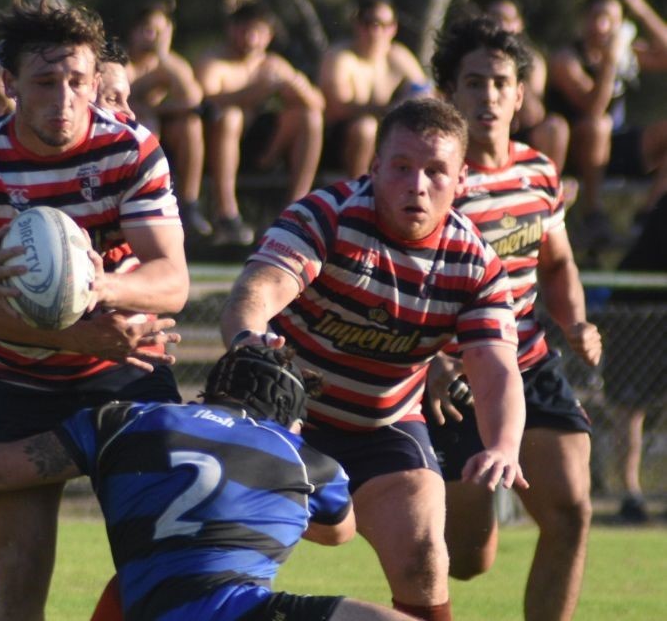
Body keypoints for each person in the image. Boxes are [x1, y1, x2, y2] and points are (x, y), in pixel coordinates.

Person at [0, 0, 189, 621]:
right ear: (10, 84)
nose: (64, 100)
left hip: (127, 375)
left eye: (77, 81)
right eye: (45, 81)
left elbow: (173, 280)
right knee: (20, 582)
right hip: (22, 384)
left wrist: (96, 287)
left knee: (166, 572)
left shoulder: (130, 150)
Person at [219, 98, 528, 621]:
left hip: (382, 425)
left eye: (435, 171)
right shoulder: (327, 215)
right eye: (402, 167)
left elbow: (495, 366)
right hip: (283, 423)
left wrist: (504, 444)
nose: (418, 184)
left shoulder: (475, 263)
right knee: (202, 558)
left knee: (425, 555)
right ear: (376, 167)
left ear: (461, 179)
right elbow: (256, 292)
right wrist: (250, 341)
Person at [0, 346, 414, 621]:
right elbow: (338, 531)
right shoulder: (304, 459)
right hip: (238, 613)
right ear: (288, 419)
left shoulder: (123, 420)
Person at [427, 17, 598, 621]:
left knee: (573, 510)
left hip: (528, 359)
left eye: (501, 83)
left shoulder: (538, 172)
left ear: (521, 95)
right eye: (474, 83)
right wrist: (429, 359)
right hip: (456, 379)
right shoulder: (434, 183)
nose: (489, 97)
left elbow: (556, 265)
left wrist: (574, 323)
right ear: (450, 94)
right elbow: (402, 280)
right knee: (469, 559)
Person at [196, 1, 324, 246]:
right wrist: (256, 91)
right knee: (231, 117)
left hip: (264, 147)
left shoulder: (273, 64)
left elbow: (318, 104)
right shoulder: (213, 61)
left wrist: (297, 85)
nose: (251, 39)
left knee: (309, 118)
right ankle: (227, 213)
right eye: (245, 30)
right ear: (231, 30)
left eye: (258, 32)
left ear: (269, 35)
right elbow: (206, 101)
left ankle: (296, 209)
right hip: (219, 144)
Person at [546, 0, 667, 237]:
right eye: (596, 17)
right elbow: (594, 108)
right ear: (583, 20)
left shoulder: (625, 53)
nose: (602, 26)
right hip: (578, 151)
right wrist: (609, 63)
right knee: (597, 126)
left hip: (616, 146)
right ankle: (594, 212)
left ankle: (648, 215)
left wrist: (641, 9)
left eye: (610, 20)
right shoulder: (566, 59)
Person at [319, 0, 429, 180]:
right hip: (337, 142)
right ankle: (358, 191)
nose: (376, 32)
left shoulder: (398, 57)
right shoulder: (340, 57)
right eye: (370, 23)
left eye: (384, 25)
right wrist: (389, 109)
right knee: (366, 127)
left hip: (384, 137)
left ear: (393, 29)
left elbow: (426, 92)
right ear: (357, 25)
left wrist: (414, 99)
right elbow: (338, 108)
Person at [125, 0, 209, 237]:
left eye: (160, 32)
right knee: (146, 125)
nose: (153, 37)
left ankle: (189, 204)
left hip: (162, 133)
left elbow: (193, 99)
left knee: (190, 126)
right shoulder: (122, 63)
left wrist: (163, 56)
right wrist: (145, 110)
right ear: (134, 31)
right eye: (149, 30)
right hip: (129, 133)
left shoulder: (168, 65)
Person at [480, 0, 571, 178]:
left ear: (518, 25)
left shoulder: (533, 62)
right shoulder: (468, 59)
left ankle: (549, 188)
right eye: (493, 18)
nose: (498, 25)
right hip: (479, 126)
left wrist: (511, 64)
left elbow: (532, 115)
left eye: (505, 20)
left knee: (556, 128)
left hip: (518, 131)